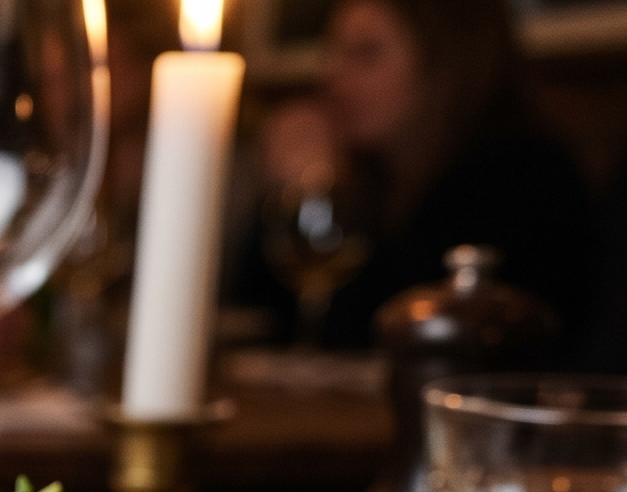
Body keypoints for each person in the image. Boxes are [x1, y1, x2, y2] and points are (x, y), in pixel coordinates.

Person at [239, 0, 596, 347]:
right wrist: (296, 198)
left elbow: (379, 332)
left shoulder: (521, 174)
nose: (331, 75)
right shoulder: (370, 177)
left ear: (447, 60)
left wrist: (318, 195)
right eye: (332, 52)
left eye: (366, 53)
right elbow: (262, 320)